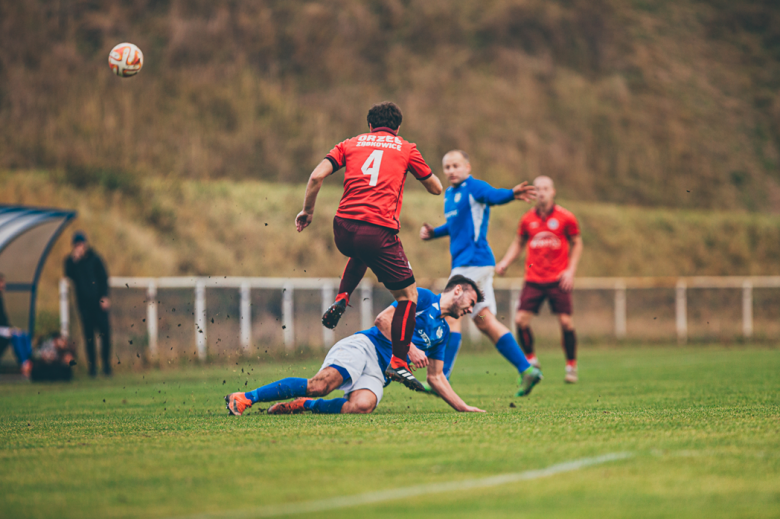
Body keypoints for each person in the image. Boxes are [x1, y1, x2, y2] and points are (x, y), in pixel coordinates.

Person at [295, 101, 443, 392]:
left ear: (370, 125)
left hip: (343, 227)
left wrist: (308, 211)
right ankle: (399, 361)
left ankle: (342, 295)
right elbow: (435, 187)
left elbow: (316, 176)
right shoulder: (405, 147)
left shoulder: (349, 143)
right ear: (398, 127)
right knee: (408, 297)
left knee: (361, 253)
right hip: (378, 230)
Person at [225, 276, 501, 416]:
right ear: (457, 291)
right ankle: (247, 397)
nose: (471, 309)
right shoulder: (423, 298)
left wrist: (463, 407)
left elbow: (437, 377)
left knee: (361, 406)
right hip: (365, 347)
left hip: (380, 372)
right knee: (322, 385)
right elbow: (383, 321)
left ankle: (303, 405)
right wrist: (407, 349)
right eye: (472, 301)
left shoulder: (443, 332)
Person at [419, 150, 542, 396]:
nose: (451, 170)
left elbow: (492, 196)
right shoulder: (451, 194)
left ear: (467, 166)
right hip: (475, 265)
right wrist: (435, 233)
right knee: (484, 320)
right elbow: (456, 225)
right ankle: (526, 370)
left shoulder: (474, 187)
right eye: (447, 167)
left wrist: (511, 194)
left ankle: (442, 377)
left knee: (451, 315)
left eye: (456, 165)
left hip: (471, 263)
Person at [496, 176, 583, 383]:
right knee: (519, 320)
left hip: (558, 279)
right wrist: (505, 262)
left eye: (545, 188)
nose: (541, 192)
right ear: (534, 193)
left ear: (553, 192)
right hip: (533, 278)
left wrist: (570, 271)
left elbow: (577, 243)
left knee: (566, 322)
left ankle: (571, 366)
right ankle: (532, 361)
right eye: (538, 189)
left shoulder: (566, 217)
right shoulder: (527, 219)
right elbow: (518, 242)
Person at [63, 231, 112, 377]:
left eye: (81, 244)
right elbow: (68, 274)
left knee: (105, 335)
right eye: (77, 245)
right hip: (84, 305)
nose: (79, 247)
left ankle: (107, 366)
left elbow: (103, 278)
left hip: (98, 302)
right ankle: (92, 369)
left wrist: (104, 296)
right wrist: (75, 261)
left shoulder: (95, 258)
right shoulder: (72, 262)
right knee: (89, 337)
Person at [0, 273, 32, 377]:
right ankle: (24, 365)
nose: (3, 285)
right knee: (16, 336)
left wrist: (11, 328)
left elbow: (3, 319)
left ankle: (29, 361)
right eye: (1, 282)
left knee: (24, 335)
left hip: (3, 329)